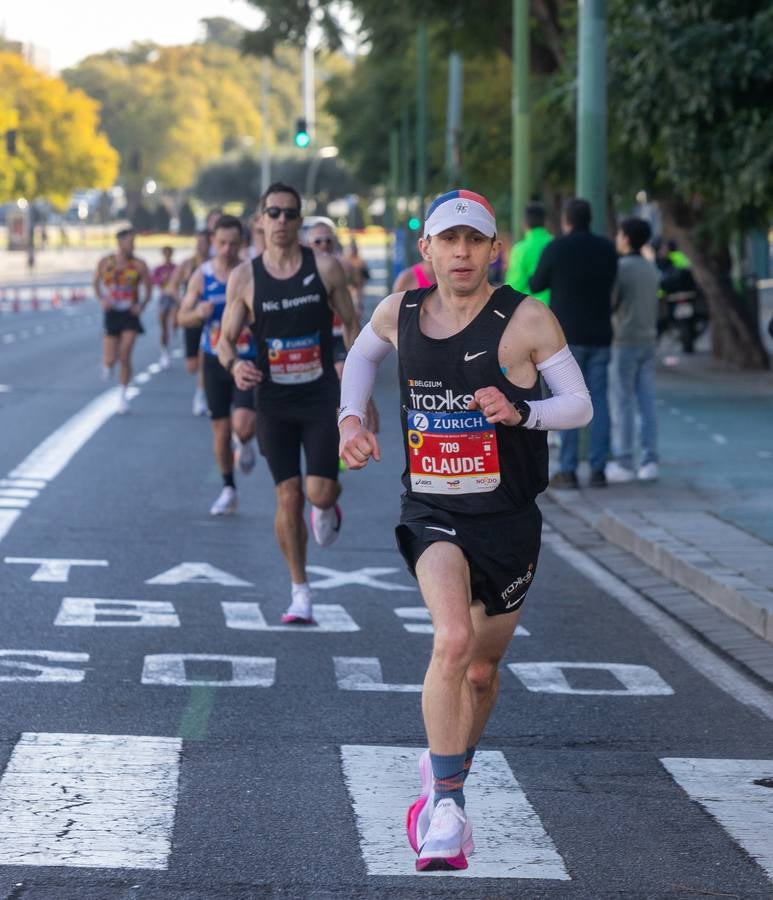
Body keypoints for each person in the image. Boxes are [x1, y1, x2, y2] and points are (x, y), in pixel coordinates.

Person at [337, 189, 592, 871]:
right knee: (451, 639)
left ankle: (444, 776)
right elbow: (359, 360)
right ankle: (446, 810)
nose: (459, 252)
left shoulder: (526, 319)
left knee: (481, 669)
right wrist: (350, 421)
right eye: (447, 240)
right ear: (425, 249)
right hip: (432, 512)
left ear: (492, 248)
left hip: (508, 519)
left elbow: (578, 405)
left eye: (473, 241)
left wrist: (521, 411)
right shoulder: (400, 312)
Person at [216, 182, 360, 624]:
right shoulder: (245, 277)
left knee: (318, 491)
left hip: (319, 395)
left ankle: (328, 503)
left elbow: (354, 327)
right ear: (260, 220)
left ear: (298, 220)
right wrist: (235, 365)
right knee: (289, 495)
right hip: (274, 400)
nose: (280, 221)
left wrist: (358, 391)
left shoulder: (326, 268)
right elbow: (223, 341)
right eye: (272, 213)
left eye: (288, 213)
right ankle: (300, 591)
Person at [529, 197, 617, 488]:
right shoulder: (607, 248)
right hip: (601, 335)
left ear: (566, 220)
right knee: (600, 401)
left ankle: (567, 469)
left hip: (566, 339)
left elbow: (536, 284)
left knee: (566, 400)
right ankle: (598, 468)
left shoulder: (557, 248)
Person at [178, 216, 258, 516]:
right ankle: (228, 488)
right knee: (221, 430)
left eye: (233, 244)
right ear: (213, 242)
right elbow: (181, 317)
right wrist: (198, 312)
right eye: (221, 243)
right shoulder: (202, 275)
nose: (227, 249)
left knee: (243, 424)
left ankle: (246, 442)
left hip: (248, 358)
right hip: (213, 360)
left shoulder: (251, 272)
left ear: (242, 244)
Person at [605, 217, 660, 483]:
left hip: (623, 341)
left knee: (623, 402)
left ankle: (624, 461)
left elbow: (612, 303)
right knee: (647, 401)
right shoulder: (651, 269)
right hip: (648, 340)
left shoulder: (621, 268)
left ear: (625, 238)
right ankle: (650, 460)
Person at [93, 227, 152, 414]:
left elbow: (149, 290)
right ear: (120, 243)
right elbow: (95, 283)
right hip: (112, 313)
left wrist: (141, 305)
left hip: (129, 313)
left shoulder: (139, 265)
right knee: (110, 359)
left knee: (125, 354)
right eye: (130, 242)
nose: (133, 245)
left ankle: (123, 395)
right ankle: (108, 364)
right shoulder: (106, 262)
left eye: (134, 242)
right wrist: (102, 299)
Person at [170, 230, 211, 415]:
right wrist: (182, 301)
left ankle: (200, 395)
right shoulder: (188, 264)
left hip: (212, 319)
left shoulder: (215, 264)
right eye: (198, 242)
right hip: (192, 318)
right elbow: (172, 286)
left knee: (205, 360)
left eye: (204, 242)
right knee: (192, 365)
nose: (201, 246)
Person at [504, 202, 553, 305]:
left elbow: (516, 285)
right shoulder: (555, 244)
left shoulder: (520, 249)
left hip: (531, 309)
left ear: (524, 223)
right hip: (556, 308)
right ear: (545, 222)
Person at [152, 246, 177, 370]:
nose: (167, 256)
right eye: (165, 254)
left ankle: (174, 328)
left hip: (174, 298)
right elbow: (154, 281)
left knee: (174, 320)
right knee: (163, 326)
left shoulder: (176, 268)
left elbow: (181, 280)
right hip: (163, 297)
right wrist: (163, 278)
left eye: (169, 253)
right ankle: (164, 351)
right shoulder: (159, 269)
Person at [344, 237, 370, 319]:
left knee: (357, 306)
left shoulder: (360, 261)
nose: (353, 250)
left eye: (354, 248)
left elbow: (366, 275)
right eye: (352, 248)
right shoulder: (345, 261)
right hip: (348, 289)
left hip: (357, 288)